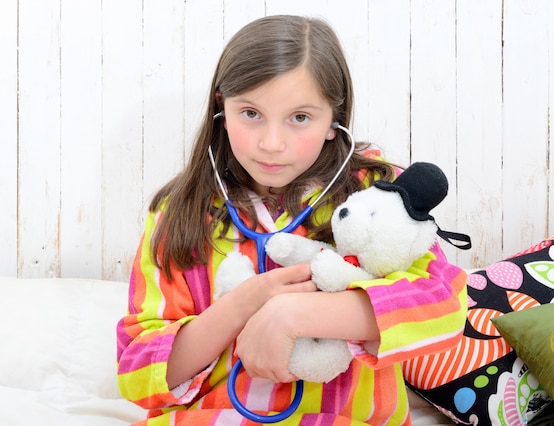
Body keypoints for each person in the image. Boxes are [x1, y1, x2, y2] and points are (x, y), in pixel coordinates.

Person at [116, 14, 468, 425]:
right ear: (221, 108)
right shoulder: (180, 212)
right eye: (250, 113)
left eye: (300, 118)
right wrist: (247, 303)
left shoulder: (378, 194)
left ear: (334, 122)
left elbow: (444, 309)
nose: (271, 143)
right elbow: (137, 374)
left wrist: (294, 315)